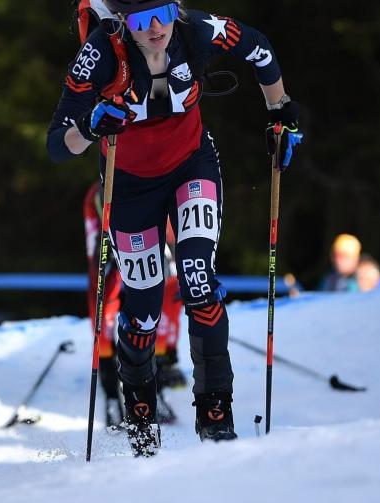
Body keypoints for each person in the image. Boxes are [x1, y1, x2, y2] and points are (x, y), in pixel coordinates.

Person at [50, 0, 303, 454]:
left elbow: (259, 48)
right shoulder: (101, 52)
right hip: (130, 187)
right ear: (122, 21)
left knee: (198, 279)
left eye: (164, 12)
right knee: (143, 308)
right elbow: (57, 145)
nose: (156, 28)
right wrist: (90, 126)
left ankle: (216, 417)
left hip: (192, 164)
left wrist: (280, 112)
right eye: (141, 20)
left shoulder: (195, 29)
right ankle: (141, 422)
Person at [84, 184, 185, 428]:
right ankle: (111, 396)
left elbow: (173, 238)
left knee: (158, 308)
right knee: (104, 313)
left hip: (152, 245)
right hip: (111, 244)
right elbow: (95, 248)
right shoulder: (97, 195)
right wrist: (104, 255)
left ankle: (156, 387)